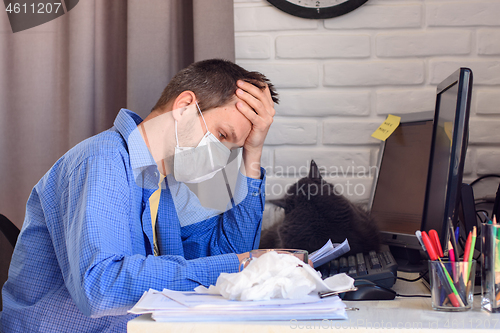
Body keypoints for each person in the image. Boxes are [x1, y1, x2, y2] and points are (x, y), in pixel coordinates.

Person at [1, 59, 279, 332]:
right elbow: (101, 286)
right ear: (184, 107)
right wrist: (243, 263)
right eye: (221, 135)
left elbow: (229, 261)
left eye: (232, 149)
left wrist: (252, 151)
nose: (221, 160)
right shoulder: (103, 161)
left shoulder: (163, 186)